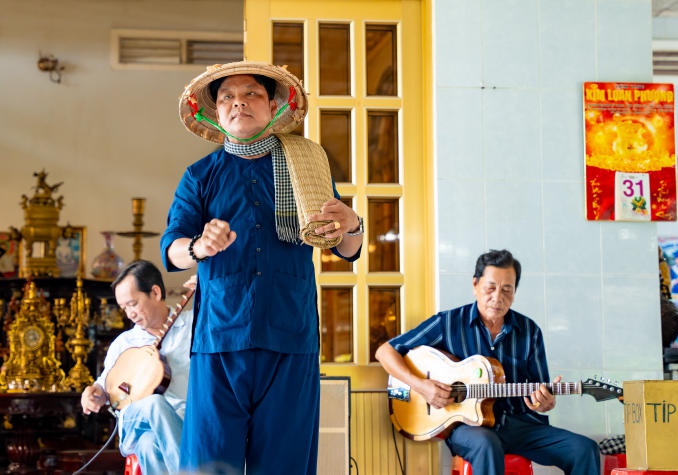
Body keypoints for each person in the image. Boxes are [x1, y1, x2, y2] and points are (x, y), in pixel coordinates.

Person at [161, 60, 364, 474]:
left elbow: (347, 247)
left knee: (285, 464)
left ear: (273, 105)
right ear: (216, 114)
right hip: (219, 338)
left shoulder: (307, 165)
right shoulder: (200, 176)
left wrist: (353, 223)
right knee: (210, 462)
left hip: (290, 335)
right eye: (227, 98)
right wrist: (199, 247)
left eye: (251, 93)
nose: (239, 103)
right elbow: (171, 251)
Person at [375, 249, 600, 475]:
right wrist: (421, 385)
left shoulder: (529, 331)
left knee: (584, 449)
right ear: (475, 285)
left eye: (507, 290)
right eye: (490, 288)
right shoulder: (448, 323)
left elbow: (540, 390)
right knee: (487, 444)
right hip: (468, 429)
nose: (497, 297)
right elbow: (385, 352)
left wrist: (545, 403)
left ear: (514, 292)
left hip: (521, 425)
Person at [80, 260, 194, 475]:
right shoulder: (124, 343)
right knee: (153, 403)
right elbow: (104, 388)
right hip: (134, 422)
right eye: (124, 308)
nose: (128, 314)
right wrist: (93, 395)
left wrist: (210, 292)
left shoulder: (191, 326)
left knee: (148, 445)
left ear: (156, 293)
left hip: (182, 420)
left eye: (133, 304)